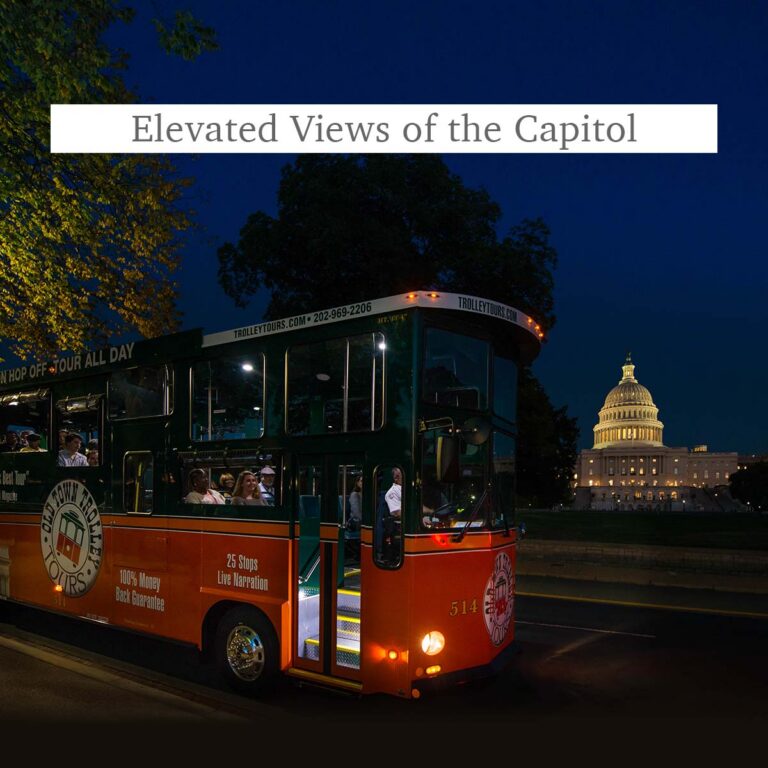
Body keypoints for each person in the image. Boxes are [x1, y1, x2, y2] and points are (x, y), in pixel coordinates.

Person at [381, 467, 402, 563]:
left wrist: (430, 511)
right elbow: (396, 513)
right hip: (399, 527)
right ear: (396, 478)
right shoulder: (392, 492)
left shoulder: (409, 489)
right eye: (399, 475)